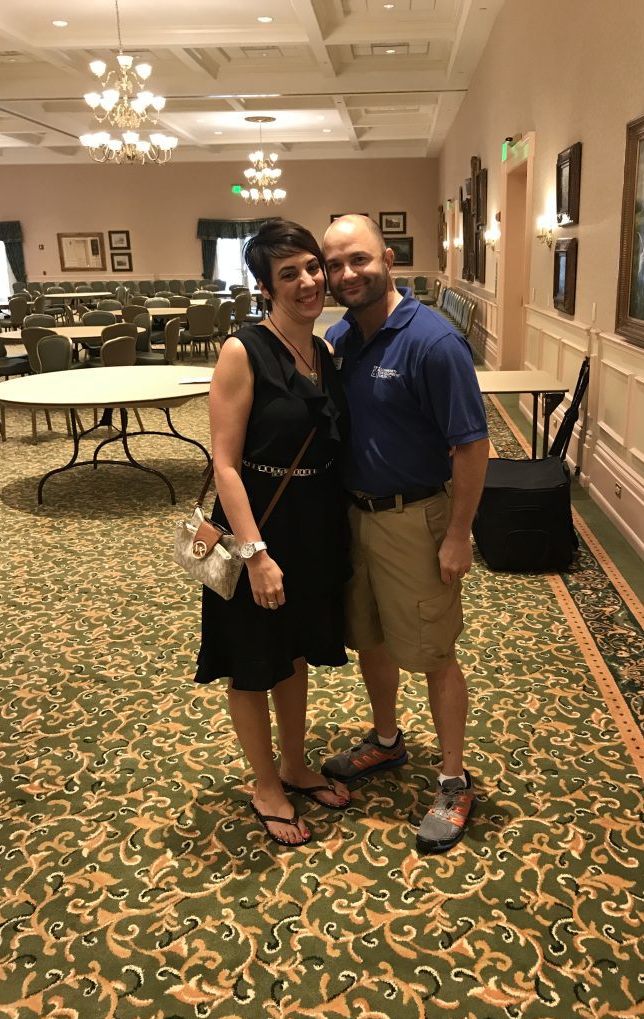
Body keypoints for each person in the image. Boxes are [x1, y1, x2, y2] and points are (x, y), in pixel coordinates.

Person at [321, 214, 490, 855]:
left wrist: (459, 534)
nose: (346, 274)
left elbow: (472, 447)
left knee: (434, 652)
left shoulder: (433, 341)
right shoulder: (341, 337)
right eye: (334, 265)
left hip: (417, 519)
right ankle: (387, 741)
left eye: (359, 259)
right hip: (355, 516)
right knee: (371, 636)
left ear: (388, 259)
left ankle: (453, 781)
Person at [195, 219, 351, 848]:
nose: (309, 281)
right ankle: (265, 785)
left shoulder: (323, 351)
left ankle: (293, 764)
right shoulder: (243, 350)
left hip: (312, 521)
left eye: (313, 267)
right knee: (252, 659)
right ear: (265, 287)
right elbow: (225, 463)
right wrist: (256, 553)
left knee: (294, 651)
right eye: (290, 273)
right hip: (255, 523)